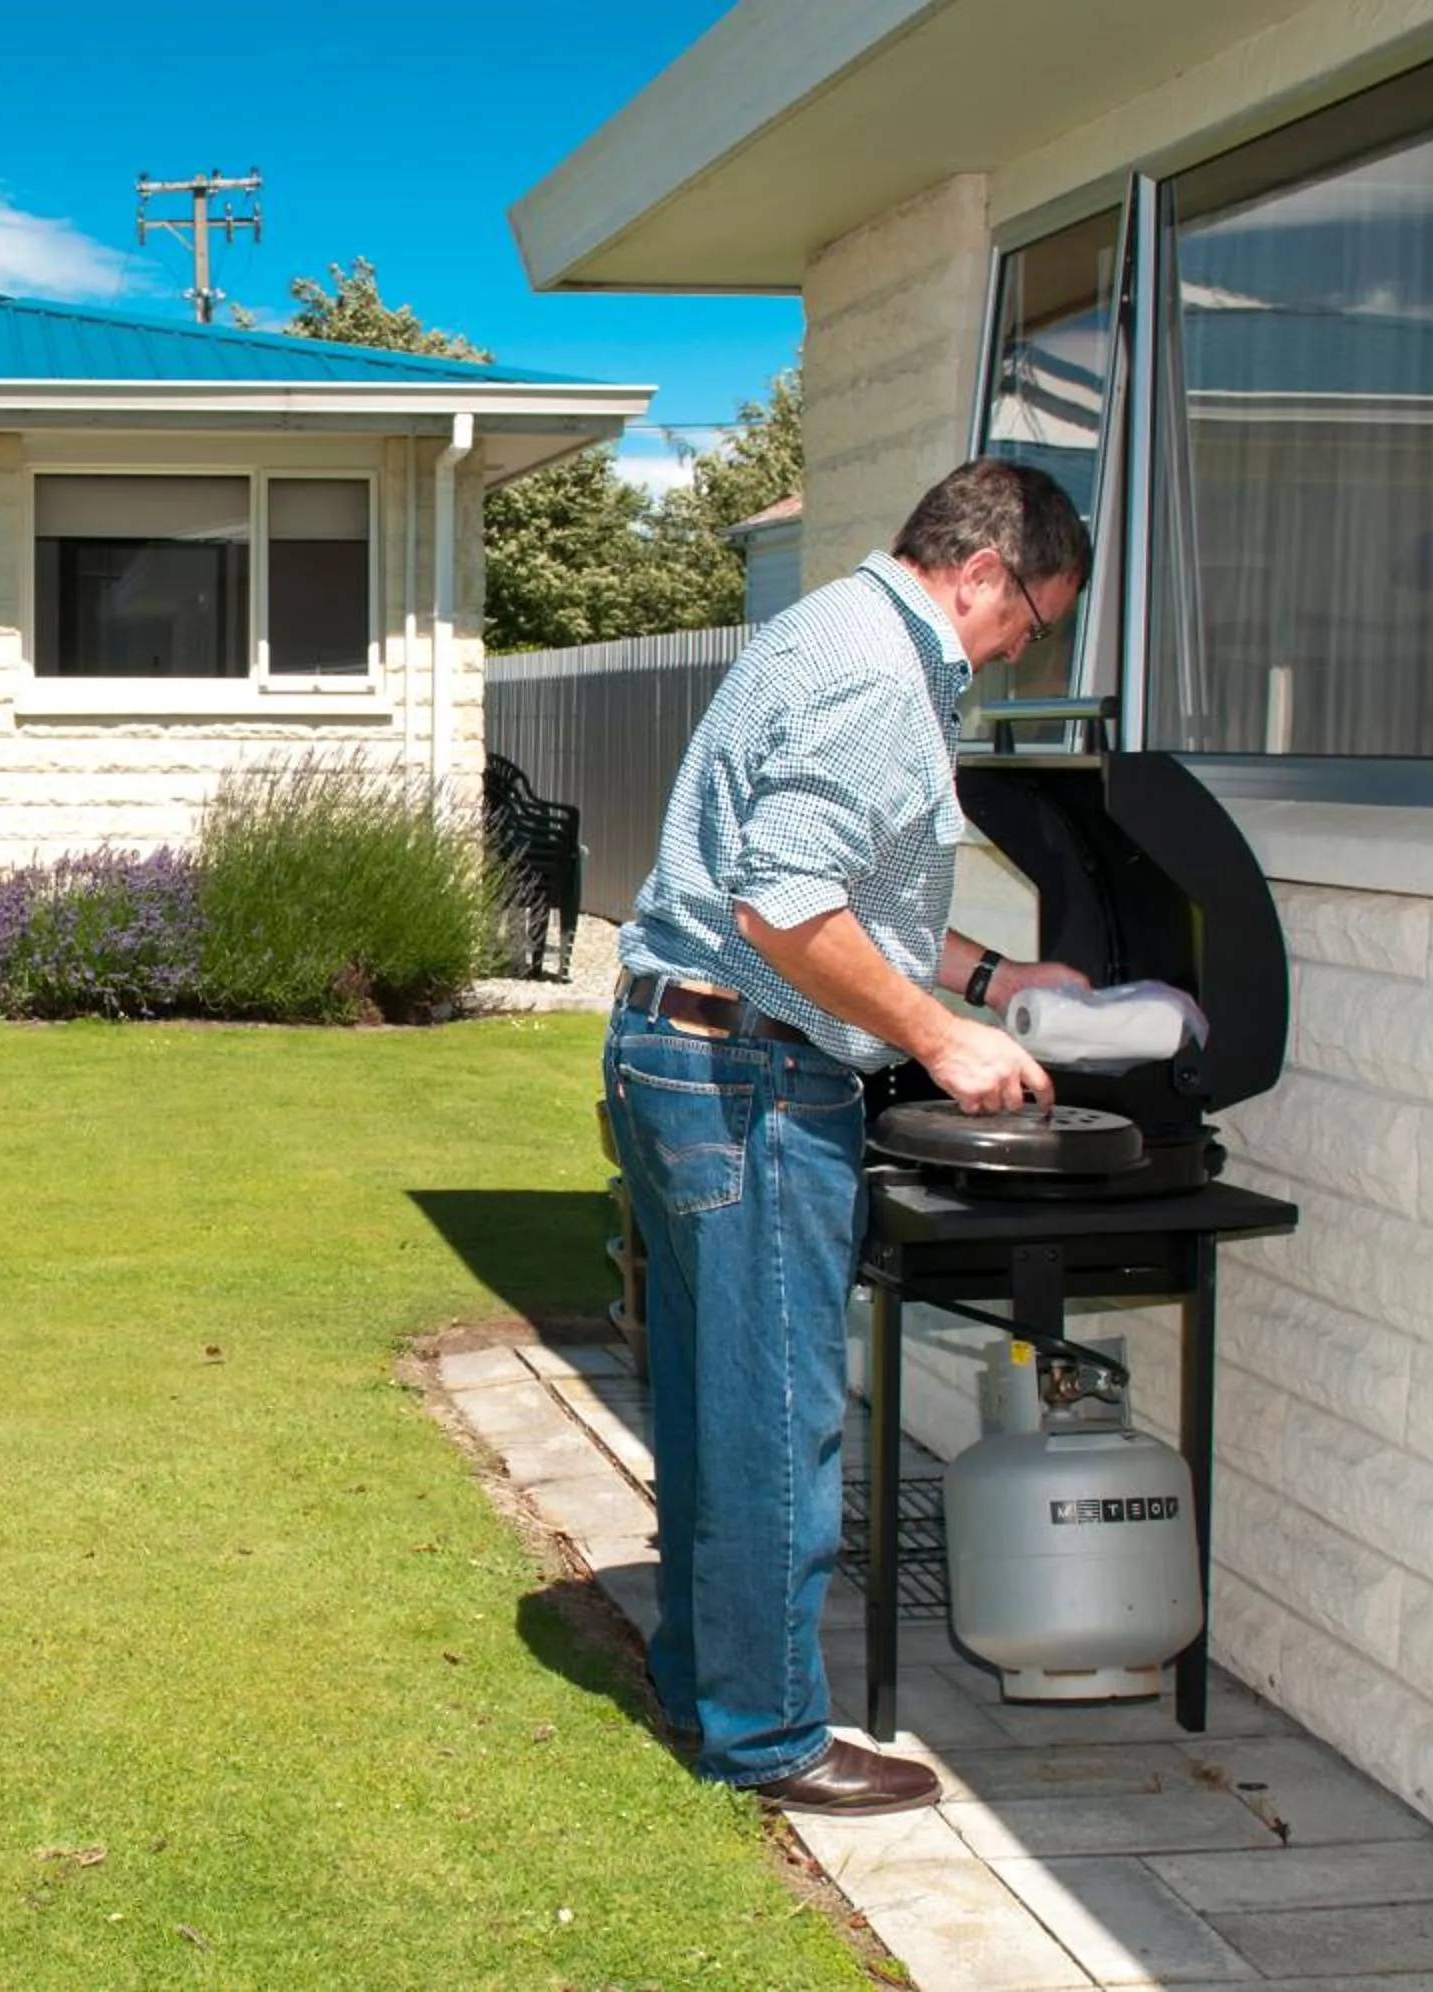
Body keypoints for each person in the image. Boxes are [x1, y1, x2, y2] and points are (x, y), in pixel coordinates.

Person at [603, 457, 1095, 1817]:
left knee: (720, 1409)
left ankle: (708, 1682)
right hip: (746, 1078)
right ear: (983, 570)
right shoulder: (879, 670)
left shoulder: (837, 633)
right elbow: (785, 907)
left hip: (690, 1053)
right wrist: (941, 1039)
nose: (1013, 653)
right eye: (1031, 623)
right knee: (778, 1419)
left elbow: (856, 892)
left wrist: (996, 983)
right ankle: (768, 1741)